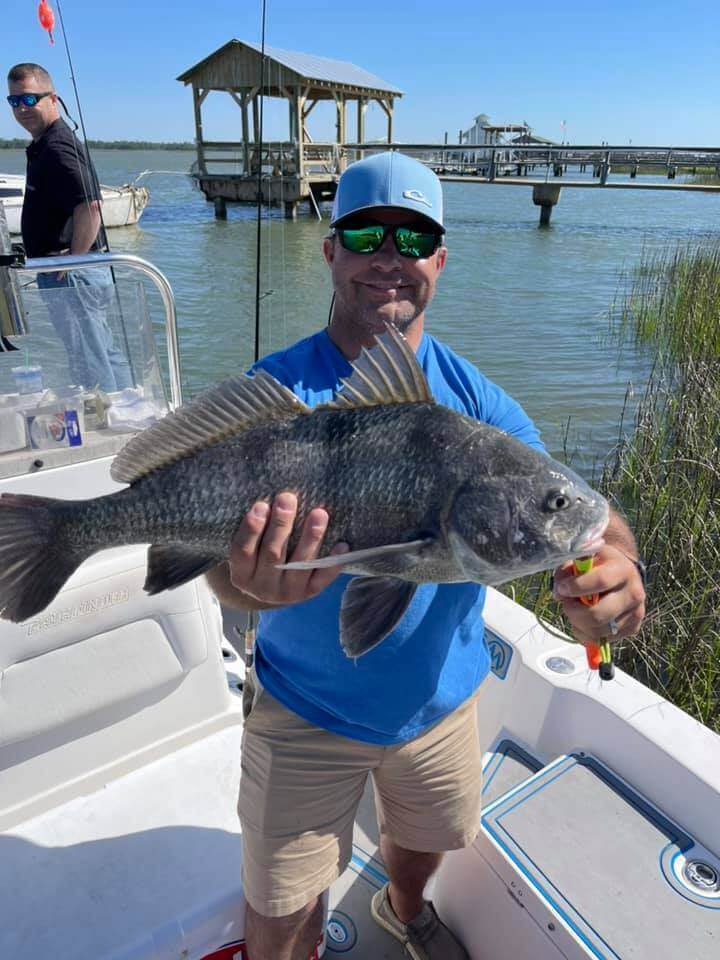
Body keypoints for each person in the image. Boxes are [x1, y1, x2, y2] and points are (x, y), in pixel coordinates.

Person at [206, 151, 647, 960]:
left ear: (439, 260)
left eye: (412, 239)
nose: (389, 256)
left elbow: (584, 508)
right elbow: (209, 562)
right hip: (302, 710)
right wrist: (245, 584)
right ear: (330, 249)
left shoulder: (478, 405)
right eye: (365, 232)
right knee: (281, 914)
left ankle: (401, 910)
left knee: (425, 847)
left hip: (442, 705)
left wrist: (615, 566)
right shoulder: (273, 394)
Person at [6, 62, 132, 392]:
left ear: (52, 98)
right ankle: (128, 405)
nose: (22, 108)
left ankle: (110, 422)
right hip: (67, 269)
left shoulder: (58, 146)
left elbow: (91, 206)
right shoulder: (44, 144)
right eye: (14, 101)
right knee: (100, 351)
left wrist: (72, 262)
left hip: (73, 272)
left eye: (30, 99)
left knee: (90, 357)